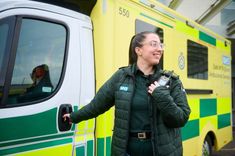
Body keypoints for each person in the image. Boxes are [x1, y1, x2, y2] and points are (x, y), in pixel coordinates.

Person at [63, 31, 191, 156]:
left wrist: (161, 95)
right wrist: (73, 117)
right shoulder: (121, 76)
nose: (159, 49)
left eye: (161, 45)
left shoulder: (171, 81)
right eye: (154, 44)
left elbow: (181, 118)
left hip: (163, 151)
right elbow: (97, 105)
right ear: (138, 50)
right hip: (126, 151)